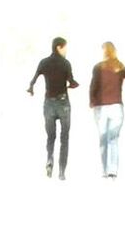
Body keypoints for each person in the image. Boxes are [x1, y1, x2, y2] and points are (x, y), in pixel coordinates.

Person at [26, 36, 78, 179]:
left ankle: (50, 159)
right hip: (63, 103)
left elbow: (33, 80)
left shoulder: (43, 62)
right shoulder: (66, 63)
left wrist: (31, 89)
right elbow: (71, 81)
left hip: (48, 104)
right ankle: (61, 172)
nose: (66, 51)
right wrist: (74, 84)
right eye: (65, 48)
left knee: (51, 136)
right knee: (64, 138)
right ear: (58, 47)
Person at [88, 41, 125, 179]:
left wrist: (91, 101)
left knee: (103, 139)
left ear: (104, 51)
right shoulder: (120, 67)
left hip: (101, 107)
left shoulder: (98, 67)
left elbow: (93, 86)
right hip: (116, 107)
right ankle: (113, 171)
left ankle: (104, 170)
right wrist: (124, 78)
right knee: (113, 139)